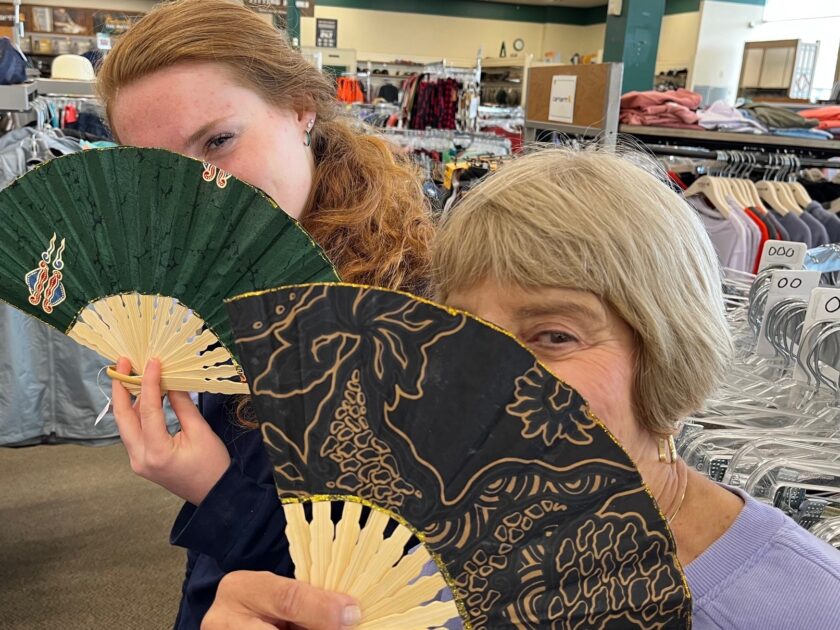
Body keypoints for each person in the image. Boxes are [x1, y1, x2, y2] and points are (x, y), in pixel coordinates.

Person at [202, 147, 840, 629]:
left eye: (554, 335)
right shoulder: (419, 540)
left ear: (667, 354)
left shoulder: (802, 605)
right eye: (463, 331)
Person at [102, 1, 434, 627]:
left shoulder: (402, 317)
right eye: (158, 171)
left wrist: (214, 490)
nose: (196, 194)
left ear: (300, 107)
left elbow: (375, 593)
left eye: (219, 141)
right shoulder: (227, 284)